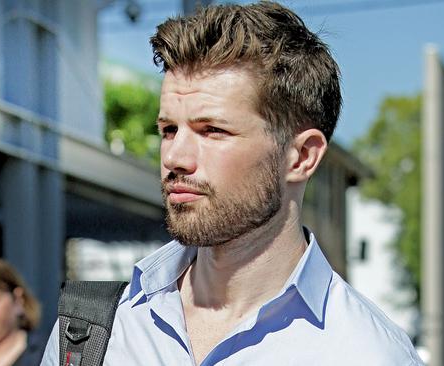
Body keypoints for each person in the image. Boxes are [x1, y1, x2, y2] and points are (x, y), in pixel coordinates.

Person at [43, 1, 422, 365]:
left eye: (212, 131)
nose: (174, 157)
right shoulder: (90, 334)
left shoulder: (367, 354)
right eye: (169, 129)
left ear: (302, 156)